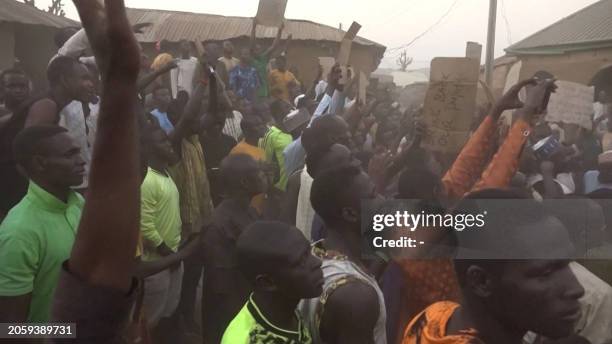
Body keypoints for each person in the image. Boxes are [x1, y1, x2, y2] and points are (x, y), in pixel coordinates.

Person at [49, 0, 143, 341]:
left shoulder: (74, 207)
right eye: (68, 153)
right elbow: (11, 327)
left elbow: (95, 287)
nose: (78, 156)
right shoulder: (19, 232)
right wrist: (65, 332)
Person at [403, 190, 586, 344]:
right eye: (545, 273)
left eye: (567, 264)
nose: (577, 289)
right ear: (481, 281)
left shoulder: (433, 317)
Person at [0, 125, 85, 322]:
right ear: (40, 163)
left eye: (79, 152)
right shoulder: (19, 232)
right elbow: (11, 331)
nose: (81, 161)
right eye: (70, 155)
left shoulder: (77, 203)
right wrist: (71, 333)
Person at [300, 164, 388, 344]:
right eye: (373, 196)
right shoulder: (355, 296)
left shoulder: (313, 253)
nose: (383, 200)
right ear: (350, 214)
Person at [221, 221, 323, 343]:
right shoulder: (247, 340)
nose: (318, 262)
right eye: (301, 261)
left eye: (309, 251)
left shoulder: (285, 308)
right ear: (267, 282)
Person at [202, 154, 267, 344]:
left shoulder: (249, 211)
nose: (263, 175)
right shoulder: (219, 224)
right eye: (258, 172)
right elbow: (222, 288)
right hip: (233, 318)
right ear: (245, 182)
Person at [139, 123, 183, 330]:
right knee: (149, 321)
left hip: (171, 257)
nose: (169, 144)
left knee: (168, 312)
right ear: (148, 148)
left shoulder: (165, 174)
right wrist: (167, 253)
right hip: (157, 262)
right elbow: (145, 225)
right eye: (162, 141)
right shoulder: (147, 180)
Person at [0, 68, 31, 218]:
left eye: (22, 86)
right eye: (12, 86)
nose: (18, 90)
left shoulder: (35, 113)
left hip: (27, 178)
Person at [229, 115, 268, 214]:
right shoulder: (239, 150)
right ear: (246, 131)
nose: (262, 127)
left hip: (260, 204)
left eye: (261, 123)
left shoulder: (261, 149)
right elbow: (234, 180)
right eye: (257, 125)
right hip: (246, 208)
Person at [200, 114, 238, 206]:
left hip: (227, 185)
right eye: (213, 124)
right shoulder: (200, 142)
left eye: (219, 124)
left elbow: (236, 162)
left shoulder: (230, 141)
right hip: (206, 186)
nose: (217, 127)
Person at [260, 100, 295, 191]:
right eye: (287, 107)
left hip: (296, 185)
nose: (291, 109)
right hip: (281, 188)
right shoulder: (271, 134)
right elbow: (266, 162)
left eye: (291, 106)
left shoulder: (296, 128)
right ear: (278, 113)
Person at [250, 18, 284, 99]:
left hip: (264, 94)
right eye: (256, 48)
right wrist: (254, 28)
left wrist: (280, 31)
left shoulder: (263, 58)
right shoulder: (250, 60)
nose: (257, 50)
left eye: (259, 49)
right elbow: (252, 42)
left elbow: (274, 46)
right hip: (252, 95)